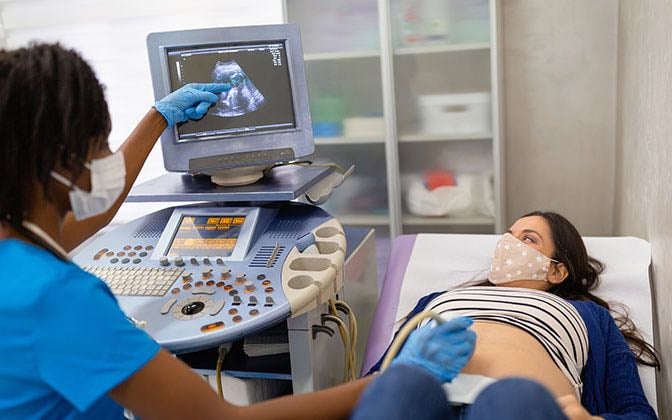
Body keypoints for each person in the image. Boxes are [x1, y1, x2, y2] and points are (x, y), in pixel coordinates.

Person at [0, 42, 480, 419]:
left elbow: (85, 216)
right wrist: (399, 377)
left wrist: (158, 118)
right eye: (99, 145)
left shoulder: (17, 243)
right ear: (59, 164)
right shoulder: (57, 299)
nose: (104, 161)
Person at [368, 210, 660, 419]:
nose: (507, 243)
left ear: (557, 270)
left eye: (528, 239)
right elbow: (376, 378)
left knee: (510, 396)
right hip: (424, 398)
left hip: (522, 405)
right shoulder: (438, 299)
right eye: (508, 235)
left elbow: (636, 411)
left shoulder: (589, 314)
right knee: (399, 386)